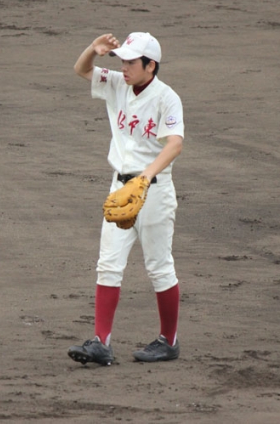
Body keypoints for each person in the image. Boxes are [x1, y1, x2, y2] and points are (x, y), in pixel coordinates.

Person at [67, 32, 185, 366]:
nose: (124, 67)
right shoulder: (118, 84)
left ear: (151, 65)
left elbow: (175, 143)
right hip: (119, 189)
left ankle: (169, 341)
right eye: (122, 60)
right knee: (108, 265)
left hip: (155, 190)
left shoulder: (167, 98)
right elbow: (81, 70)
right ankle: (101, 343)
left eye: (132, 62)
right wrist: (93, 49)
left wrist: (145, 177)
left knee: (159, 267)